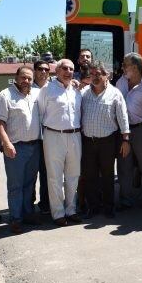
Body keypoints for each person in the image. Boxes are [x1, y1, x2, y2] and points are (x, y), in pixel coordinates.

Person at [81, 60, 130, 218]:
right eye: (93, 73)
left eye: (99, 74)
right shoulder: (83, 94)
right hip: (88, 141)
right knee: (90, 176)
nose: (95, 76)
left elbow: (123, 118)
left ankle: (109, 207)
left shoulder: (115, 94)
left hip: (107, 142)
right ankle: (93, 207)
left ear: (106, 75)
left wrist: (126, 139)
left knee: (108, 176)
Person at [0, 67, 42, 233]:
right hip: (16, 147)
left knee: (30, 184)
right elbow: (0, 122)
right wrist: (6, 143)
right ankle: (16, 218)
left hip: (35, 146)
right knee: (16, 185)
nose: (26, 81)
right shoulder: (5, 95)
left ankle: (27, 213)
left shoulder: (37, 94)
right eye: (23, 78)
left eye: (29, 78)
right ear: (16, 78)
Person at [38, 59, 83, 226]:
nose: (68, 71)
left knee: (73, 175)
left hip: (74, 136)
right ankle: (58, 213)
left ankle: (71, 210)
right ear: (57, 71)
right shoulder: (47, 90)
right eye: (64, 68)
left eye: (71, 69)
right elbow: (41, 113)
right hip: (53, 136)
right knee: (54, 177)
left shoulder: (77, 90)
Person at [115, 52, 142, 211]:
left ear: (135, 67)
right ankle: (125, 199)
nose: (123, 67)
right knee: (124, 166)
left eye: (125, 65)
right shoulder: (121, 82)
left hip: (141, 130)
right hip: (123, 131)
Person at [32, 60, 51, 214]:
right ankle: (29, 206)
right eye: (40, 69)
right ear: (34, 71)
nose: (43, 72)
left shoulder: (53, 88)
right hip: (32, 138)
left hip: (49, 138)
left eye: (46, 69)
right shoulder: (27, 89)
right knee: (31, 176)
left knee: (47, 174)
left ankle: (45, 204)